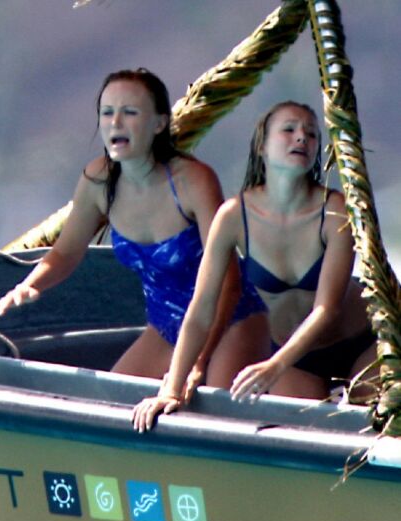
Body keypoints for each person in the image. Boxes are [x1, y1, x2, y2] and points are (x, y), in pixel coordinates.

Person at [0, 68, 269, 390]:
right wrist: (29, 285)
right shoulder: (98, 181)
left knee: (213, 408)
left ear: (159, 123)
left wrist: (197, 363)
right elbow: (65, 253)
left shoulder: (193, 181)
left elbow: (229, 283)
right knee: (110, 400)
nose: (116, 123)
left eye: (130, 112)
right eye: (107, 113)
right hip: (165, 326)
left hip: (230, 321)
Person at [132, 100, 377, 432]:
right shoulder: (234, 216)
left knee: (370, 411)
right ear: (262, 145)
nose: (301, 138)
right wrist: (172, 388)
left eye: (311, 134)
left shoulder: (334, 210)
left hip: (363, 339)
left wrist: (274, 366)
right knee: (304, 430)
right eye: (289, 130)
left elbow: (327, 309)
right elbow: (202, 308)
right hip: (296, 357)